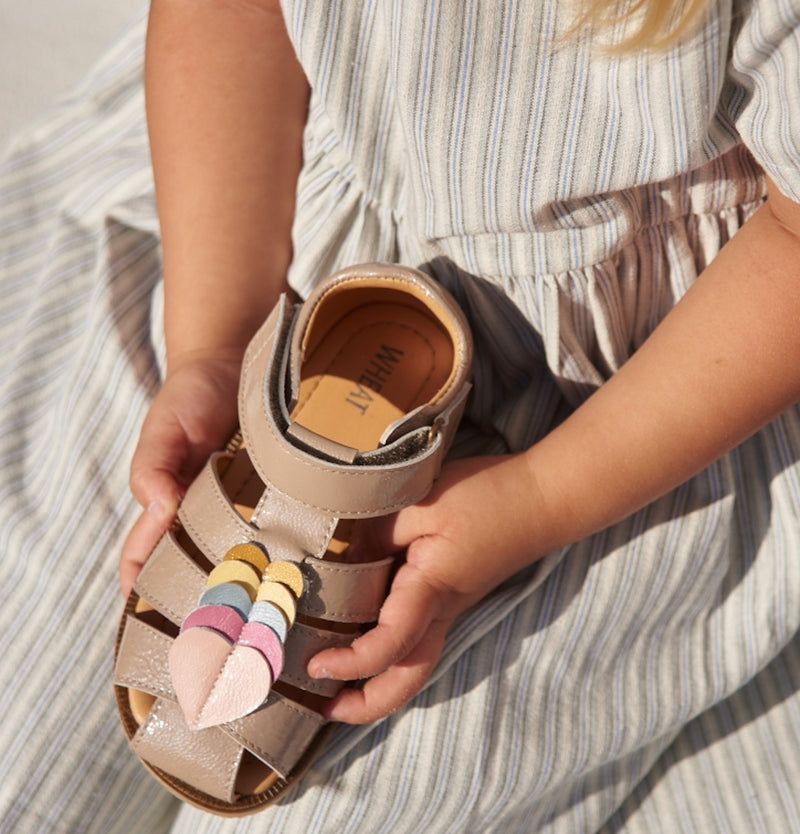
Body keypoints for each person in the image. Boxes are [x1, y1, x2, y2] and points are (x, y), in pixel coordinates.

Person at [2, 0, 800, 831]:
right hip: (255, 219)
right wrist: (214, 342)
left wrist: (537, 501)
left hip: (641, 404)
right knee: (20, 739)